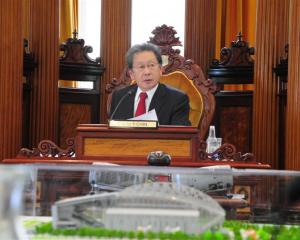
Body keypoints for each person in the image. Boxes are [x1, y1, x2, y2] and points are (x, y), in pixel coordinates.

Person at [109, 42, 191, 126]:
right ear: (132, 74)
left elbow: (180, 136)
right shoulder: (120, 97)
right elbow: (112, 131)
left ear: (160, 70)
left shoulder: (177, 99)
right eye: (141, 67)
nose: (147, 72)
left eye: (151, 65)